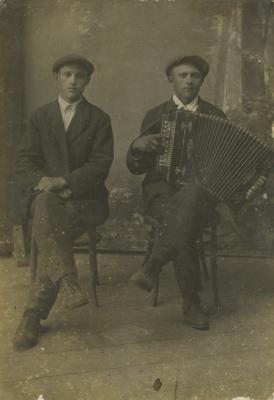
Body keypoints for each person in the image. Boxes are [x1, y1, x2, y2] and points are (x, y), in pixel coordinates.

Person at [13, 54, 114, 350]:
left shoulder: (99, 119)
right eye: (67, 74)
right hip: (48, 200)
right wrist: (49, 185)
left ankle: (33, 315)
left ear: (88, 81)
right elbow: (24, 163)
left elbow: (99, 166)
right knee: (46, 205)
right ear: (56, 78)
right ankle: (65, 283)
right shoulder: (40, 117)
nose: (73, 81)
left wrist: (64, 182)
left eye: (79, 76)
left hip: (85, 202)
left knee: (47, 221)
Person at [126, 55, 226, 330]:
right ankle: (191, 303)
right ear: (171, 79)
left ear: (202, 80)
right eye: (182, 75)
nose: (188, 80)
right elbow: (137, 168)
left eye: (194, 75)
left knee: (191, 197)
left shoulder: (216, 116)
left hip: (201, 194)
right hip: (161, 191)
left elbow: (224, 165)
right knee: (184, 220)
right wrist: (137, 145)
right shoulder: (155, 115)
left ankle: (153, 264)